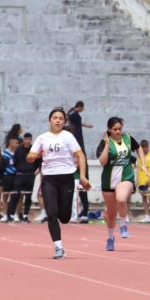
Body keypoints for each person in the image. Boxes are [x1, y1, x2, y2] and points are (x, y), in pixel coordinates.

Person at [28, 108, 90, 259]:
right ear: (49, 120)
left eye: (60, 118)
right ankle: (58, 247)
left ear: (64, 122)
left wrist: (82, 176)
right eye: (54, 117)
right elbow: (29, 157)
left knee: (64, 217)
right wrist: (35, 155)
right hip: (49, 178)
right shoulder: (42, 138)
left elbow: (80, 155)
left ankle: (63, 223)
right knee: (52, 213)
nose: (57, 120)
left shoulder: (68, 136)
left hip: (66, 179)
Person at [97, 117, 146, 250]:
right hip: (108, 182)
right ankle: (110, 238)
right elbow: (102, 162)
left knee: (121, 197)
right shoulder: (104, 142)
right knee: (111, 215)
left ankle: (123, 223)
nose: (118, 131)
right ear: (109, 129)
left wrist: (143, 164)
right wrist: (107, 145)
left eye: (120, 128)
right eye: (115, 129)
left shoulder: (128, 138)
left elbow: (139, 148)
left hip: (126, 177)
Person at [67, 101, 93, 220]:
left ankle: (84, 210)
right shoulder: (73, 114)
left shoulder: (74, 115)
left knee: (83, 184)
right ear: (80, 107)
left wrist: (86, 126)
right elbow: (68, 119)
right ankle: (79, 210)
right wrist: (67, 127)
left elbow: (77, 123)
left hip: (78, 143)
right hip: (77, 141)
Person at [8, 133, 39, 223]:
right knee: (15, 196)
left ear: (31, 140)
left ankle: (25, 216)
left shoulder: (34, 150)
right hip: (19, 176)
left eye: (29, 139)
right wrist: (18, 171)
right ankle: (11, 215)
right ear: (23, 140)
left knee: (28, 196)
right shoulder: (18, 150)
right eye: (26, 139)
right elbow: (15, 162)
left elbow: (39, 163)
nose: (27, 141)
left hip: (30, 176)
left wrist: (35, 173)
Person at [136, 140, 150, 223]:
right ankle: (147, 216)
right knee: (143, 198)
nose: (144, 149)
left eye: (145, 147)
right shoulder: (139, 156)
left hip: (149, 181)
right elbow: (138, 168)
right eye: (142, 147)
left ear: (148, 146)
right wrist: (137, 180)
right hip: (141, 180)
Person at [1, 136, 19, 222]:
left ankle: (14, 214)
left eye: (17, 143)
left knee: (15, 196)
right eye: (15, 143)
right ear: (11, 142)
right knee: (5, 196)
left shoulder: (17, 153)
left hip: (15, 176)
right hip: (6, 176)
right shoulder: (3, 153)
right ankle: (4, 214)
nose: (16, 145)